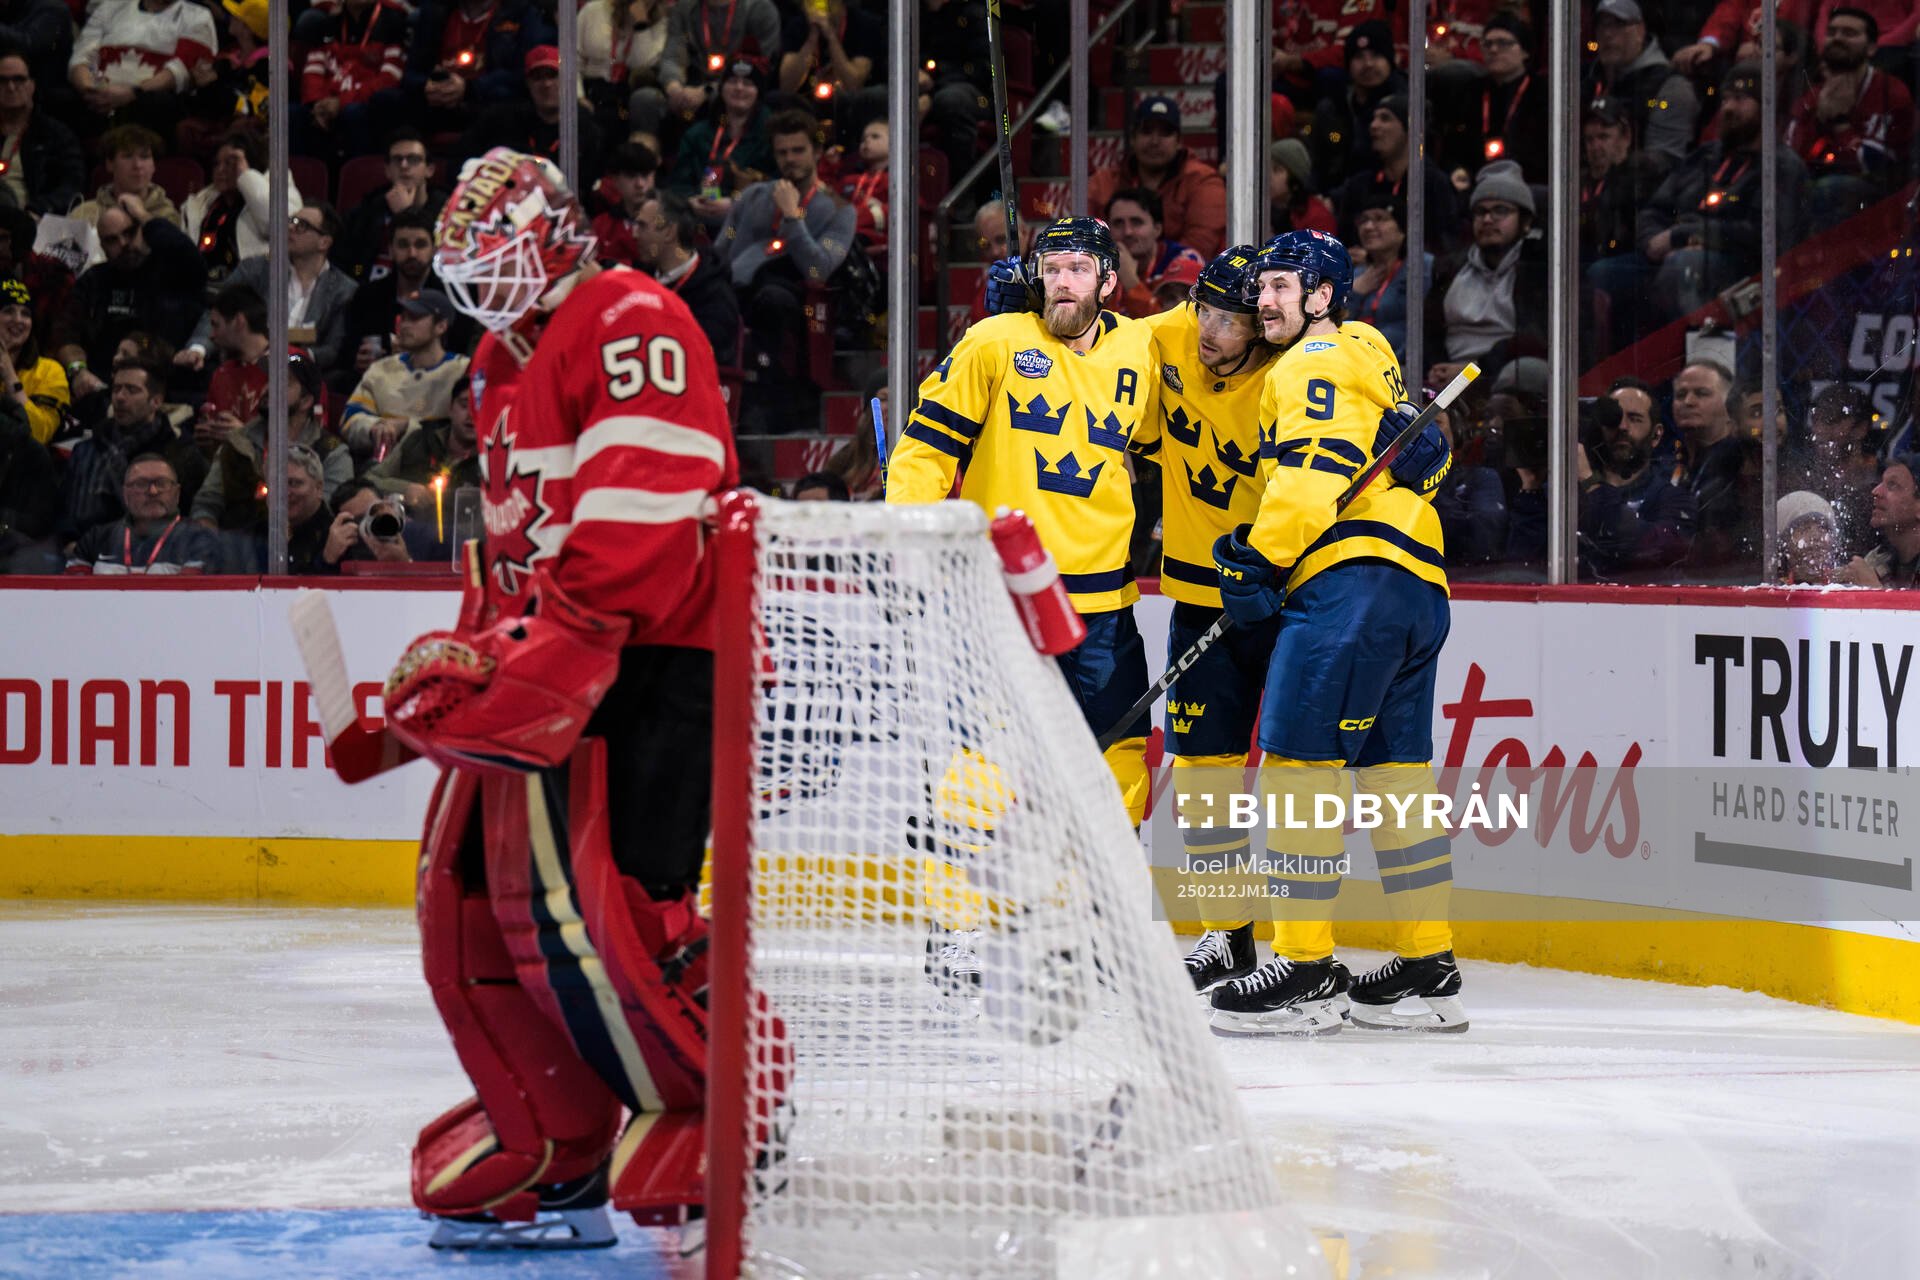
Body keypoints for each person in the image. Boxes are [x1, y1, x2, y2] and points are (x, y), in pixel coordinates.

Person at [383, 147, 746, 1246]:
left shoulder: (630, 315)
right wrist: (482, 646)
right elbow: (514, 538)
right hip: (568, 652)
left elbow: (642, 513)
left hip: (659, 655)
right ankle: (561, 1128)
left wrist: (539, 656)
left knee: (625, 911)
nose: (481, 285)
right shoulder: (503, 354)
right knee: (489, 905)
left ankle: (718, 1114)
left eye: (497, 257)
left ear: (550, 237)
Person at [1205, 229, 1463, 1036]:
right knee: (1396, 778)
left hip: (1346, 586)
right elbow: (1417, 450)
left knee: (1296, 770)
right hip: (1417, 583)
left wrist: (1255, 560)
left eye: (1284, 287)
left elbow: (1311, 476)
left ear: (1322, 297)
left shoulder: (1310, 363)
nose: (1265, 301)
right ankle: (1429, 963)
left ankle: (1307, 967)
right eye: (1264, 289)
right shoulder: (1368, 348)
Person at [889, 215, 1160, 825]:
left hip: (1104, 599)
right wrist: (907, 544)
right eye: (1053, 269)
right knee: (990, 749)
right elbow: (924, 451)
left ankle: (1102, 898)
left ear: (1108, 282)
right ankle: (953, 907)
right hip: (1006, 593)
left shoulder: (1140, 348)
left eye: (1079, 270)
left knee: (1120, 744)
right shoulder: (995, 341)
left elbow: (1170, 435)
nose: (1064, 282)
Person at [713, 109, 854, 430]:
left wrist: (793, 218)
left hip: (793, 302)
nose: (790, 159)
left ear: (816, 153)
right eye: (782, 152)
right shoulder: (751, 198)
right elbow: (722, 249)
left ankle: (776, 410)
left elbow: (819, 268)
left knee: (772, 301)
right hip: (736, 293)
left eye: (798, 150)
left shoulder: (839, 211)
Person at [179, 204, 359, 377]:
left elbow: (334, 349)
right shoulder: (256, 269)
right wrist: (198, 349)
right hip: (247, 364)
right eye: (291, 221)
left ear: (324, 242)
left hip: (303, 374)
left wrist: (292, 358)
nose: (290, 228)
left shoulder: (344, 289)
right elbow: (218, 311)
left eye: (301, 225)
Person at [1783, 7, 1914, 229]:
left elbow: (1874, 164)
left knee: (1832, 188)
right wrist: (1818, 120)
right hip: (1814, 183)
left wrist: (1840, 124)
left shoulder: (1890, 92)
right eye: (1832, 32)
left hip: (1878, 194)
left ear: (1871, 48)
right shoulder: (1812, 93)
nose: (1837, 38)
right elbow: (1790, 155)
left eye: (1849, 33)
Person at [56, 352, 204, 543]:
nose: (120, 397)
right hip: (78, 555)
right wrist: (68, 542)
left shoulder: (180, 454)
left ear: (156, 401)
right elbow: (62, 510)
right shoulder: (86, 451)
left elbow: (187, 519)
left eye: (132, 390)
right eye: (116, 389)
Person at [1577, 378, 1697, 578]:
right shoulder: (1566, 492)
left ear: (1657, 435)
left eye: (1634, 418)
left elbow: (1655, 553)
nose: (1622, 426)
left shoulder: (1675, 500)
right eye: (1613, 418)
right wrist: (1532, 486)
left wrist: (1591, 483)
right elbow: (1521, 565)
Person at [1087, 96, 1227, 259]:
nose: (1154, 141)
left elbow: (1199, 246)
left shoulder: (1203, 181)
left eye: (1165, 133)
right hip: (1116, 275)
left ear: (1179, 141)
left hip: (1184, 279)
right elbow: (1087, 240)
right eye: (1146, 131)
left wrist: (1146, 276)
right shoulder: (1103, 181)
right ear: (1132, 138)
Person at [342, 289, 469, 465]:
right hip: (381, 468)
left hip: (442, 468)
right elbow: (350, 418)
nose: (405, 325)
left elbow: (467, 427)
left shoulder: (462, 370)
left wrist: (405, 426)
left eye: (415, 318)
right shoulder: (381, 370)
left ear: (441, 326)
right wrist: (374, 426)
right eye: (404, 317)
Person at [1584, 0, 1701, 175]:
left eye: (1619, 25)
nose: (1607, 34)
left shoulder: (1671, 87)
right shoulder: (1587, 80)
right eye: (1602, 25)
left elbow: (1663, 165)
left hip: (1640, 195)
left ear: (1640, 30)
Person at [182, 131, 303, 295]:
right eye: (217, 164)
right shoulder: (201, 202)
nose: (220, 170)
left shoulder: (278, 185)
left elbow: (279, 226)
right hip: (204, 290)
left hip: (254, 294)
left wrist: (246, 176)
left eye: (230, 163)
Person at [633, 190, 739, 363]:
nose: (634, 234)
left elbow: (705, 353)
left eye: (642, 226)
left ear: (669, 232)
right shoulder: (639, 279)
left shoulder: (715, 294)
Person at [70, 452, 224, 572]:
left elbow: (192, 598)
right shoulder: (95, 540)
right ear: (125, 494)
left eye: (161, 483)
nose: (152, 491)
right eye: (141, 484)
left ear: (177, 493)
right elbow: (73, 596)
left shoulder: (200, 539)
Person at [334, 129, 447, 285]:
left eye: (413, 159)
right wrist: (358, 276)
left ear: (429, 170)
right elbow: (355, 263)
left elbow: (443, 267)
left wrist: (406, 214)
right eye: (397, 160)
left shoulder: (447, 213)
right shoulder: (368, 209)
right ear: (387, 170)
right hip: (369, 291)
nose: (404, 165)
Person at [0, 41, 85, 218]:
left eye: (19, 79)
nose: (11, 87)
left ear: (32, 85)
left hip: (29, 221)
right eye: (2, 80)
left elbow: (72, 186)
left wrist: (38, 209)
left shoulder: (56, 135)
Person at [1104, 188, 1205, 319]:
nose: (1127, 232)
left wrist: (1131, 283)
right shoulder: (1101, 264)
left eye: (1136, 222)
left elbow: (1174, 326)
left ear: (1157, 229)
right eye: (1118, 223)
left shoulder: (1185, 261)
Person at [0, 278, 68, 445]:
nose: (18, 320)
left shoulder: (50, 371)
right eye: (9, 311)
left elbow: (40, 433)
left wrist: (9, 375)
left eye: (26, 314)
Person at [1837, 454, 1920, 586]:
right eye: (1881, 483)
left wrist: (1874, 592)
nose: (1875, 491)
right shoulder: (1878, 559)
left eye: (1892, 485)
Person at [1775, 489, 1841, 584]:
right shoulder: (1772, 590)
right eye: (1804, 529)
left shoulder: (1846, 586)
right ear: (1784, 541)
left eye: (1822, 528)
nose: (1816, 536)